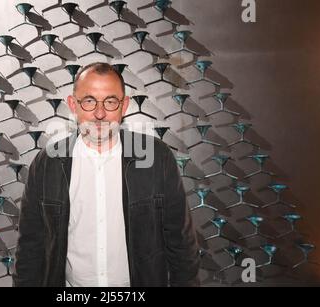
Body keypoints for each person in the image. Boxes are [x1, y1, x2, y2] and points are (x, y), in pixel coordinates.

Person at [13, 62, 200, 287]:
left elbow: (181, 243)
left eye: (110, 102)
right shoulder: (47, 163)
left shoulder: (157, 158)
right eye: (89, 101)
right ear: (73, 104)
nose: (100, 113)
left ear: (124, 106)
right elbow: (30, 248)